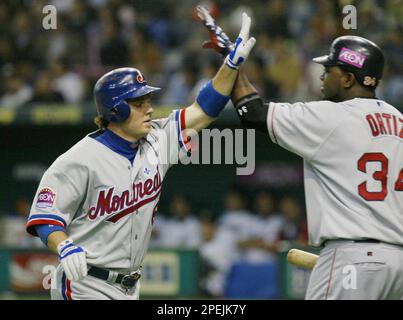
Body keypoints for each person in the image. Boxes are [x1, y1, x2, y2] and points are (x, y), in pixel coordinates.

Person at [25, 13, 256, 300]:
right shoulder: (79, 159)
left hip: (130, 285)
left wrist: (230, 65)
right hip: (86, 282)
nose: (148, 108)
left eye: (148, 101)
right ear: (115, 110)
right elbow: (46, 217)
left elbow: (204, 109)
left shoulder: (159, 139)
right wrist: (64, 246)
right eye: (138, 103)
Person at [197, 7, 403, 300]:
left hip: (350, 255)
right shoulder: (398, 120)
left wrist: (232, 63)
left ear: (347, 79)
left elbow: (252, 113)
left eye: (328, 70)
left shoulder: (332, 115)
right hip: (397, 262)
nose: (321, 76)